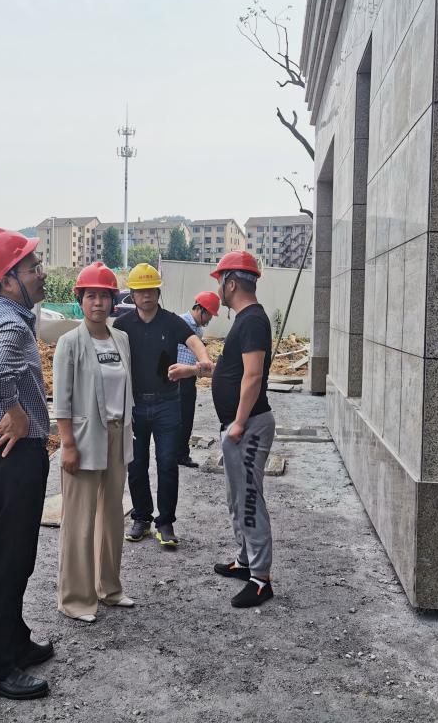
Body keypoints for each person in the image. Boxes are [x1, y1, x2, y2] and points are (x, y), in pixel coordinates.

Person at [0, 228, 54, 700]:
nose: (40, 273)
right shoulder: (13, 325)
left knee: (16, 557)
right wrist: (16, 411)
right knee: (6, 563)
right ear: (7, 280)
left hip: (0, 454)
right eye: (32, 268)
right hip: (10, 454)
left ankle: (15, 641)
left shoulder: (3, 314)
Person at [171, 251, 276, 608]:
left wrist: (240, 422)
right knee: (237, 497)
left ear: (231, 283)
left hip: (248, 426)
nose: (218, 287)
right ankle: (244, 561)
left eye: (220, 280)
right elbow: (232, 371)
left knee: (249, 499)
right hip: (237, 426)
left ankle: (260, 579)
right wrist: (192, 371)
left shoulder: (253, 321)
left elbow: (253, 375)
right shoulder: (246, 320)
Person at [53, 262, 136, 623]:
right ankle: (75, 598)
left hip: (117, 436)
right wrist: (68, 444)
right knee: (80, 520)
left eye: (104, 296)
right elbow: (62, 400)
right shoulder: (70, 343)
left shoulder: (122, 340)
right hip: (84, 439)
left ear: (113, 301)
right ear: (81, 300)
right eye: (91, 296)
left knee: (112, 516)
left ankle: (109, 588)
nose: (98, 303)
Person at [113, 263, 213, 547]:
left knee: (168, 463)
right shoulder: (122, 325)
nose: (146, 295)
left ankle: (165, 522)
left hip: (167, 404)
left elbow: (193, 340)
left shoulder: (171, 322)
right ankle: (142, 518)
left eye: (151, 290)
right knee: (136, 464)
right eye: (140, 291)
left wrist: (203, 360)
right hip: (133, 405)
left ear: (158, 292)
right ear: (132, 294)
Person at [175, 291, 220, 469]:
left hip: (189, 378)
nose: (210, 319)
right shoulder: (180, 322)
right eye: (209, 315)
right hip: (176, 378)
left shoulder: (198, 330)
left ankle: (181, 454)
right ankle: (173, 454)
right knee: (175, 418)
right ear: (201, 309)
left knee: (187, 417)